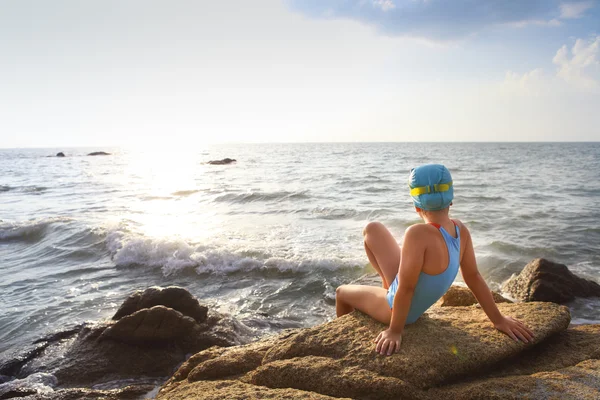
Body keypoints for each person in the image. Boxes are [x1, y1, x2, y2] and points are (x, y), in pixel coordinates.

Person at [335, 164, 534, 356]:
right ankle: (387, 285)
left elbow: (406, 289)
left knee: (341, 292)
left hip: (394, 309)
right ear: (451, 200)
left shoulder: (416, 233)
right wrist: (498, 319)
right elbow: (473, 277)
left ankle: (341, 341)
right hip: (405, 291)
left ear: (416, 205)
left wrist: (395, 330)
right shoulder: (460, 230)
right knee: (372, 229)